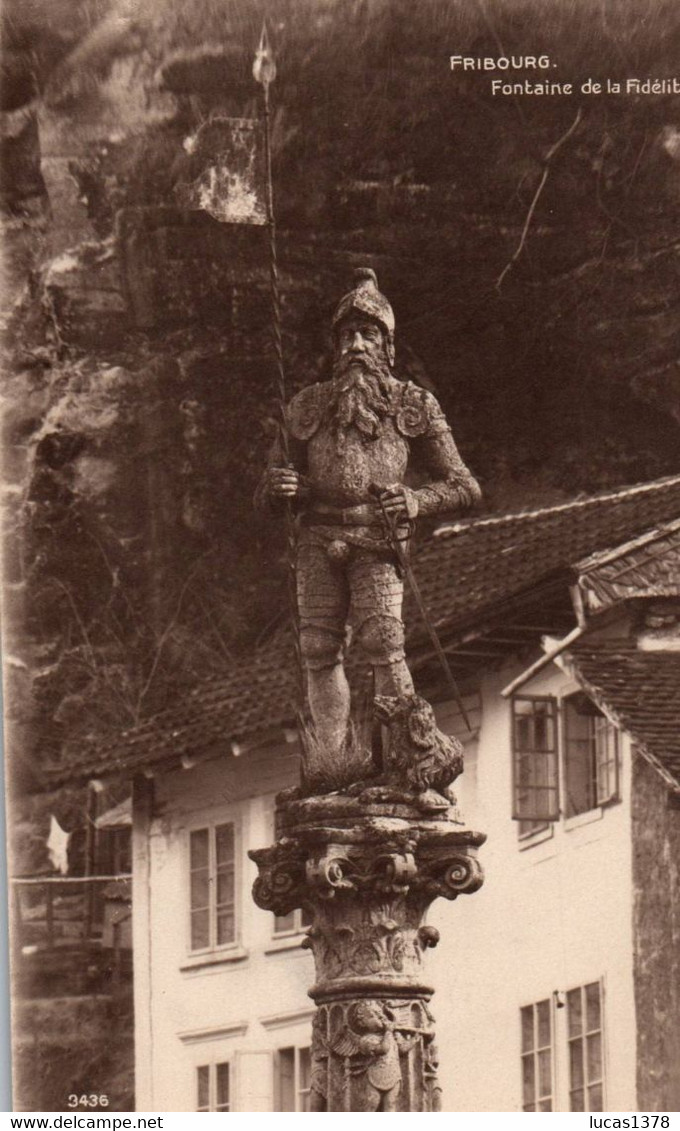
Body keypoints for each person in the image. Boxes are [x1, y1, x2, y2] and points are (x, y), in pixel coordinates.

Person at [257, 268, 480, 768]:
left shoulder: (413, 404)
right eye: (348, 335)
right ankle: (331, 763)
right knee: (317, 647)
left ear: (386, 344)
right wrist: (279, 487)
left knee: (384, 641)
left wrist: (417, 501)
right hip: (318, 538)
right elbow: (267, 492)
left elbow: (464, 485)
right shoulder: (308, 405)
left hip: (377, 539)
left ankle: (407, 756)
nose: (357, 345)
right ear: (336, 344)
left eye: (368, 334)